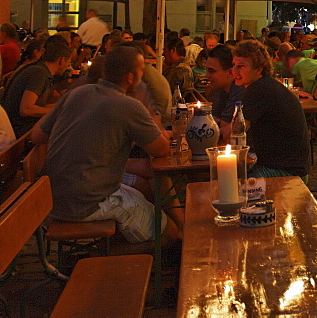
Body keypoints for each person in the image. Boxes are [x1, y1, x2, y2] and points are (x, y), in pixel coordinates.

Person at [31, 46, 181, 244]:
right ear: (130, 77)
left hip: (53, 198)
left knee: (142, 194)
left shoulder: (76, 93)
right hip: (86, 202)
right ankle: (105, 261)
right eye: (141, 70)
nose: (143, 75)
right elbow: (161, 149)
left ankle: (115, 248)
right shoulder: (129, 106)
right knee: (170, 232)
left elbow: (36, 135)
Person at [231, 40, 310, 178]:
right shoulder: (265, 85)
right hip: (289, 165)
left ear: (259, 69)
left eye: (241, 66)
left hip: (287, 172)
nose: (235, 71)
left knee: (232, 184)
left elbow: (234, 134)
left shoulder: (259, 89)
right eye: (234, 65)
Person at [2, 40, 70, 137]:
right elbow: (26, 109)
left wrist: (62, 105)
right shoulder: (39, 73)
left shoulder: (39, 70)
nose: (67, 67)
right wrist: (58, 110)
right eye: (68, 62)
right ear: (62, 60)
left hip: (20, 127)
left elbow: (39, 106)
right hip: (20, 132)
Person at [204, 45, 246, 142]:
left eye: (211, 71)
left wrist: (218, 128)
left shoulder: (240, 90)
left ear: (230, 72)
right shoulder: (223, 89)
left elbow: (226, 131)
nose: (207, 75)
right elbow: (212, 121)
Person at [162, 36, 197, 101]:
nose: (163, 54)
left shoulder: (179, 70)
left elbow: (165, 93)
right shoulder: (179, 67)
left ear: (173, 50)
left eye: (164, 50)